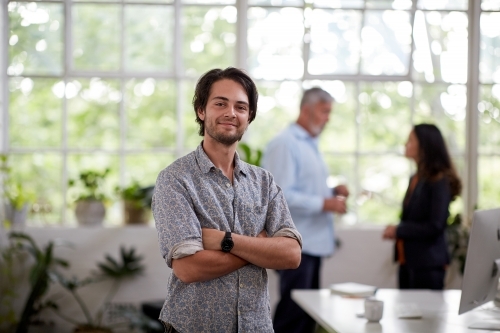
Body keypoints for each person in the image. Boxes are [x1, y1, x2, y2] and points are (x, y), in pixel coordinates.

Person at [152, 67, 302, 333]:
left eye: (240, 107)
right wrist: (260, 247)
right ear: (201, 110)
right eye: (220, 103)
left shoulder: (264, 182)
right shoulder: (175, 180)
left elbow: (291, 255)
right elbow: (188, 268)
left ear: (249, 116)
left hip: (256, 326)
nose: (231, 113)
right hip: (194, 327)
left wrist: (226, 241)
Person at [262, 87, 349, 333]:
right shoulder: (285, 144)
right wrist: (324, 203)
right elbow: (280, 195)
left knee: (306, 316)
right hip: (297, 245)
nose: (328, 118)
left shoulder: (310, 143)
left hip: (312, 244)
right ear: (306, 109)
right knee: (293, 316)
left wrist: (331, 192)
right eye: (324, 111)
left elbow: (303, 188)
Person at [382, 123, 462, 290]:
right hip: (407, 261)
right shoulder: (415, 178)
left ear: (424, 145)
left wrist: (399, 230)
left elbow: (435, 225)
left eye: (410, 140)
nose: (405, 144)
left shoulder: (439, 181)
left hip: (428, 264)